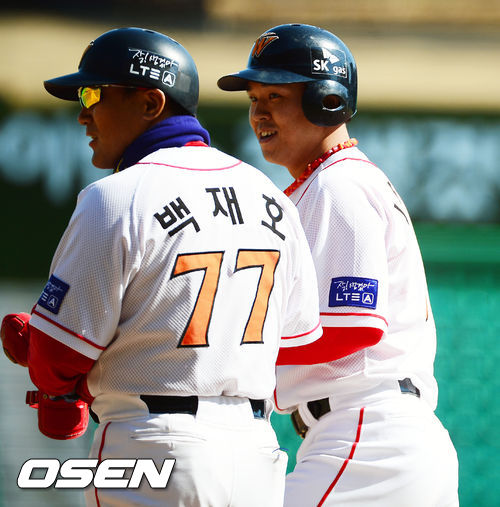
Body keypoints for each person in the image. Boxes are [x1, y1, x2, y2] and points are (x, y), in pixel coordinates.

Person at [0, 27, 325, 507]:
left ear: (151, 103)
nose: (83, 113)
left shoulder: (115, 197)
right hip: (256, 455)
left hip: (154, 447)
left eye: (93, 94)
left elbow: (55, 359)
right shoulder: (270, 195)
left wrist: (46, 358)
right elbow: (297, 344)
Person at [218, 23, 459, 507]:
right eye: (254, 98)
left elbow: (352, 327)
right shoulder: (330, 182)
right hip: (377, 437)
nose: (258, 113)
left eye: (275, 96)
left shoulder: (337, 185)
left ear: (326, 101)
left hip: (368, 436)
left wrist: (229, 356)